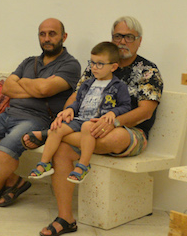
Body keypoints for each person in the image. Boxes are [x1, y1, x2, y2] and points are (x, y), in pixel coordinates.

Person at [34, 16, 164, 236]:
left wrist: (114, 122)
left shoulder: (148, 71)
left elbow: (145, 111)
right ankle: (65, 218)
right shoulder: (96, 65)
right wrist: (68, 112)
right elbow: (76, 95)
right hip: (88, 127)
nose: (122, 41)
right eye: (118, 36)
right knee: (62, 150)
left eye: (129, 37)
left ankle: (49, 135)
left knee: (111, 138)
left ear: (139, 41)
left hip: (129, 130)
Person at [0, 18, 80, 208]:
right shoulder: (29, 62)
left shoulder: (70, 65)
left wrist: (24, 82)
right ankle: (14, 181)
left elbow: (45, 90)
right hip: (8, 114)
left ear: (64, 37)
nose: (46, 38)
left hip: (37, 119)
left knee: (5, 152)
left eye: (52, 34)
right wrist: (37, 87)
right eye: (42, 34)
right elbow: (8, 88)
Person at [27, 41, 132, 186]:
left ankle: (83, 165)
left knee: (87, 127)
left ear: (113, 67)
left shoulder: (119, 86)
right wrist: (70, 109)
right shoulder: (87, 83)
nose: (94, 67)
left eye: (100, 64)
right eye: (92, 63)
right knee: (57, 127)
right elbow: (78, 101)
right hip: (79, 118)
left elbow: (126, 105)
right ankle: (44, 163)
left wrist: (114, 112)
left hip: (95, 122)